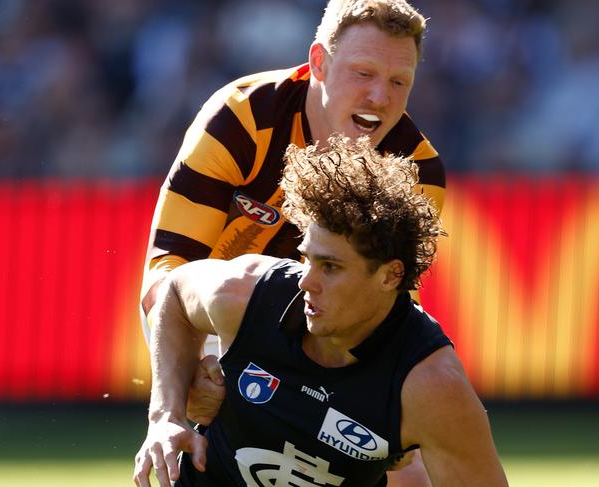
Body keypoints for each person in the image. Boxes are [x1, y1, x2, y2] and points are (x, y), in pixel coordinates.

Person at [140, 1, 445, 484]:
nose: (379, 98)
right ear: (319, 63)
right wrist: (173, 399)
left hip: (331, 333)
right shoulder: (241, 118)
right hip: (215, 320)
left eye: (398, 82)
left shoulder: (417, 173)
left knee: (411, 471)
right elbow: (169, 269)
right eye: (363, 73)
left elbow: (381, 313)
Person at [133, 136, 508, 486]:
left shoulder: (430, 385)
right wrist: (165, 415)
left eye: (330, 267)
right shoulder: (247, 294)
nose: (305, 281)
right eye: (307, 259)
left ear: (391, 275)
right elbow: (175, 292)